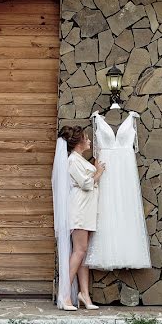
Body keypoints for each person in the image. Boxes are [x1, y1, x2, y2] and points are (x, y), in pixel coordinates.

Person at [55, 125, 105, 310]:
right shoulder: (72, 161)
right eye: (87, 138)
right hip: (79, 210)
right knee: (79, 251)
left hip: (87, 210)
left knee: (84, 254)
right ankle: (64, 295)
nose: (90, 141)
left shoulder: (80, 160)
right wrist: (98, 171)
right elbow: (85, 184)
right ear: (78, 143)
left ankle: (84, 294)